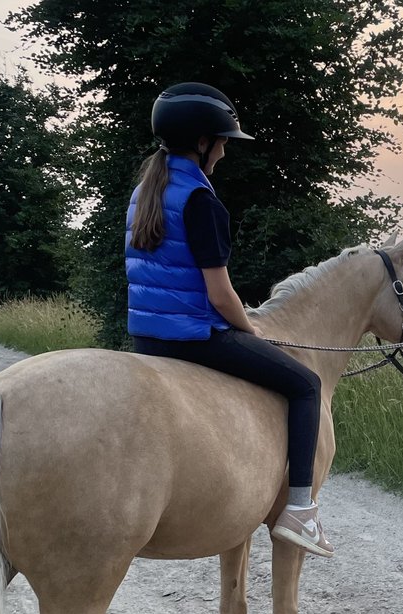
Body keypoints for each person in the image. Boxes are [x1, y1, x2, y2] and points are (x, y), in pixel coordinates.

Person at [125, 82, 333, 558]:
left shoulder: (145, 192)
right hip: (193, 336)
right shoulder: (200, 199)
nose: (223, 151)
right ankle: (300, 509)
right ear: (201, 143)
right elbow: (220, 294)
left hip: (147, 337)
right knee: (304, 385)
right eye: (221, 141)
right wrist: (248, 328)